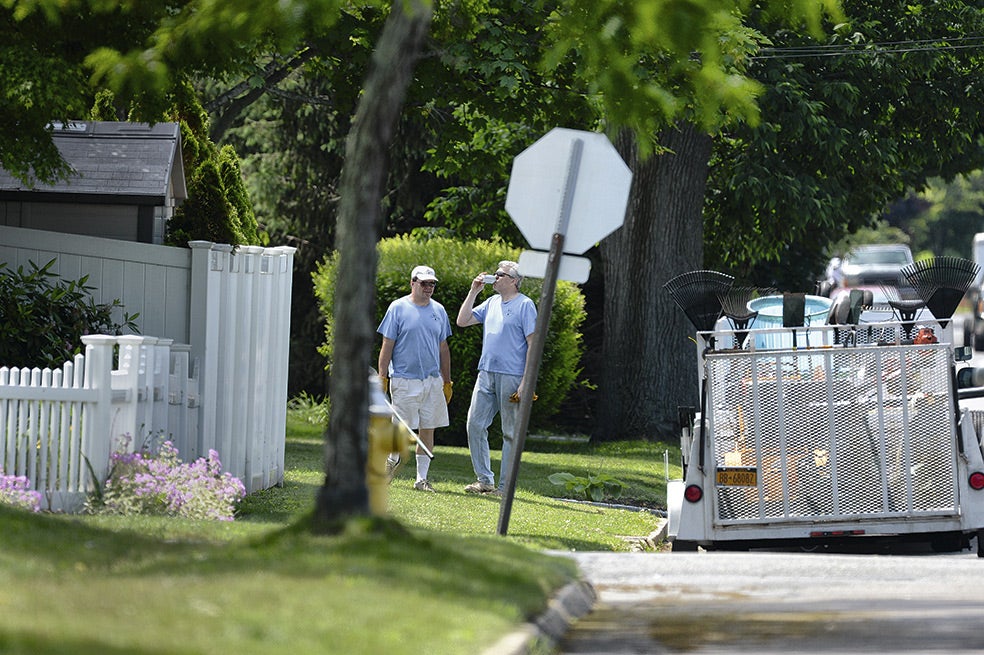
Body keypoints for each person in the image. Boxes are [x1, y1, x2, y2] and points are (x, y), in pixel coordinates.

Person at [456, 260, 537, 496]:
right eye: (496, 274)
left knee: (510, 432)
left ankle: (504, 488)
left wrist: (526, 381)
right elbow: (463, 321)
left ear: (514, 281)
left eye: (500, 275)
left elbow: (533, 344)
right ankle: (484, 480)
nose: (495, 277)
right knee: (474, 424)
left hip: (512, 376)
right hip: (486, 372)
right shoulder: (491, 302)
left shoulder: (525, 305)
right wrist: (474, 291)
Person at [377, 265, 453, 492]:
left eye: (432, 284)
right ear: (413, 283)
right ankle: (391, 461)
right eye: (424, 283)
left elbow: (443, 348)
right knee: (400, 429)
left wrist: (446, 381)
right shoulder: (397, 308)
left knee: (428, 428)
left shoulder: (439, 310)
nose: (429, 288)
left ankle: (421, 479)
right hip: (404, 379)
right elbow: (387, 345)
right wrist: (383, 377)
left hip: (432, 381)